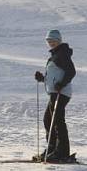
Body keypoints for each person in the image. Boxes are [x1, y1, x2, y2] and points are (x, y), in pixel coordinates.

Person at [33, 29, 76, 162]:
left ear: (59, 41)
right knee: (48, 120)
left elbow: (71, 71)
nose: (51, 43)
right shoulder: (55, 55)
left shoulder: (62, 54)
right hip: (55, 92)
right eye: (49, 41)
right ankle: (52, 150)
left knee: (57, 121)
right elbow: (54, 75)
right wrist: (42, 79)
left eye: (53, 40)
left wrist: (62, 83)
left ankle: (62, 152)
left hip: (61, 93)